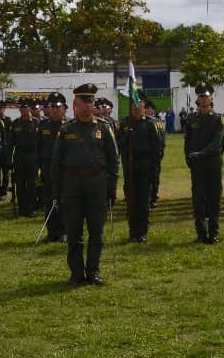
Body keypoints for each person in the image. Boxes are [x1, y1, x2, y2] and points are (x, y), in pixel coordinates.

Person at [51, 83, 119, 286]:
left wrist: (112, 187)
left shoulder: (104, 128)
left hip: (96, 185)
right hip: (72, 185)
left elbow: (114, 160)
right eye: (84, 102)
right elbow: (56, 163)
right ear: (75, 105)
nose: (88, 106)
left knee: (96, 233)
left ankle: (93, 271)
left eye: (91, 102)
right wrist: (56, 191)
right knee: (74, 233)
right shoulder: (66, 130)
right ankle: (76, 273)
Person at [116, 96, 161, 242]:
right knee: (131, 201)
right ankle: (132, 231)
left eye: (139, 105)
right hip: (130, 167)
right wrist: (126, 137)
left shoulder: (150, 124)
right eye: (133, 106)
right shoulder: (124, 124)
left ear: (144, 107)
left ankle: (142, 232)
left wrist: (154, 170)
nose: (136, 108)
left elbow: (157, 148)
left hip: (145, 165)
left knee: (143, 201)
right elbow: (118, 145)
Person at [184, 84, 224, 243]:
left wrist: (201, 153)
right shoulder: (192, 119)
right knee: (198, 199)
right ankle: (201, 233)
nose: (203, 99)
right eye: (201, 97)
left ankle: (214, 233)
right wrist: (188, 158)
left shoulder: (218, 118)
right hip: (197, 164)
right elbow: (187, 142)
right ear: (197, 99)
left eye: (206, 96)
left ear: (211, 99)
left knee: (214, 198)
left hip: (213, 163)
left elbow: (217, 142)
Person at [37, 93, 68, 241]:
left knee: (63, 200)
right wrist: (37, 169)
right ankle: (51, 231)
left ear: (64, 109)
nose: (54, 110)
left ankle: (63, 231)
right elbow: (37, 148)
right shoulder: (43, 126)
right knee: (48, 200)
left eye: (57, 107)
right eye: (52, 107)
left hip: (64, 167)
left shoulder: (69, 126)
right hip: (47, 166)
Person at [9, 100, 40, 217]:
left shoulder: (37, 123)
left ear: (29, 109)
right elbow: (10, 142)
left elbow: (41, 143)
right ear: (19, 109)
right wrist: (9, 159)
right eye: (21, 107)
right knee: (20, 183)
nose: (23, 109)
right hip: (19, 156)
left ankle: (31, 208)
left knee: (32, 183)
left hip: (32, 156)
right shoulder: (15, 123)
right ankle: (22, 207)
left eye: (25, 107)